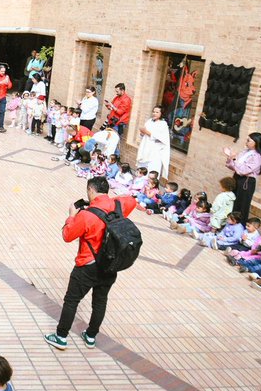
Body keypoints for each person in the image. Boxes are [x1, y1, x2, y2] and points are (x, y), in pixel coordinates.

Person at [44, 176, 137, 350]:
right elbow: (131, 199)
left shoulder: (86, 215)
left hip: (87, 265)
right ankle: (91, 336)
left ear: (90, 190)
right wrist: (106, 201)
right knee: (100, 301)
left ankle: (61, 336)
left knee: (72, 300)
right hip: (110, 264)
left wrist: (71, 216)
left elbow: (67, 235)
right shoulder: (120, 206)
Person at [224, 133, 261, 224]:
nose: (246, 142)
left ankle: (239, 227)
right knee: (232, 202)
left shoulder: (258, 157)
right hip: (237, 178)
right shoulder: (245, 152)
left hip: (246, 182)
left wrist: (234, 159)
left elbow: (243, 170)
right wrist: (230, 158)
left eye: (249, 140)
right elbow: (232, 166)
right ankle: (228, 224)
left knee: (241, 205)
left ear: (256, 142)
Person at [135, 106, 170, 178]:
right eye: (153, 112)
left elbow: (162, 138)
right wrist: (142, 133)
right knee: (142, 169)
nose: (154, 113)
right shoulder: (149, 121)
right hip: (145, 147)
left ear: (161, 113)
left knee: (151, 169)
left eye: (157, 112)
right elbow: (144, 134)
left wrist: (147, 132)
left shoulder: (163, 124)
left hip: (155, 151)